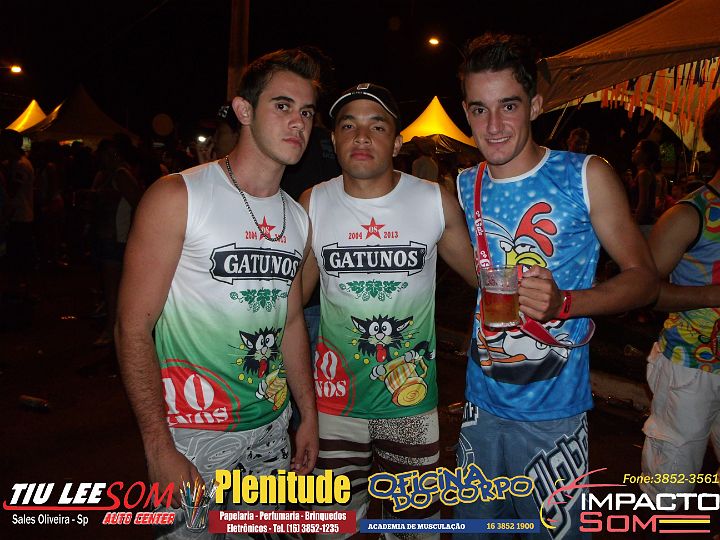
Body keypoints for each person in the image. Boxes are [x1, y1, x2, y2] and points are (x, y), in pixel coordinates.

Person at [453, 33, 658, 539]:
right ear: (465, 112)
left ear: (535, 105)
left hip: (553, 413)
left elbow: (644, 281)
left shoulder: (584, 175)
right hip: (480, 404)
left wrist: (566, 302)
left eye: (508, 106)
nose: (493, 126)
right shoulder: (465, 183)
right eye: (479, 109)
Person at [116, 49, 320, 539]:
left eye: (307, 112)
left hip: (271, 431)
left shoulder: (297, 218)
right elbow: (132, 327)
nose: (298, 123)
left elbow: (291, 320)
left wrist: (308, 415)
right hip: (191, 433)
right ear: (244, 110)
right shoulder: (177, 197)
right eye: (283, 106)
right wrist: (158, 446)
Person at [300, 83, 477, 537]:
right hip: (335, 402)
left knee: (416, 525)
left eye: (376, 127)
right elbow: (292, 301)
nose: (361, 136)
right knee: (334, 525)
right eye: (348, 126)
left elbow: (485, 278)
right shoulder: (313, 202)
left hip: (411, 402)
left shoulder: (433, 200)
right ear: (334, 140)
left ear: (397, 142)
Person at [640, 96, 720, 499]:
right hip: (689, 366)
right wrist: (712, 294)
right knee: (670, 485)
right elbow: (643, 291)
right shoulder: (692, 214)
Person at [631, 138, 660, 235]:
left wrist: (633, 225)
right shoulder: (645, 173)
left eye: (638, 148)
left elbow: (643, 203)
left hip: (643, 226)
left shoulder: (644, 174)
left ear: (646, 155)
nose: (633, 151)